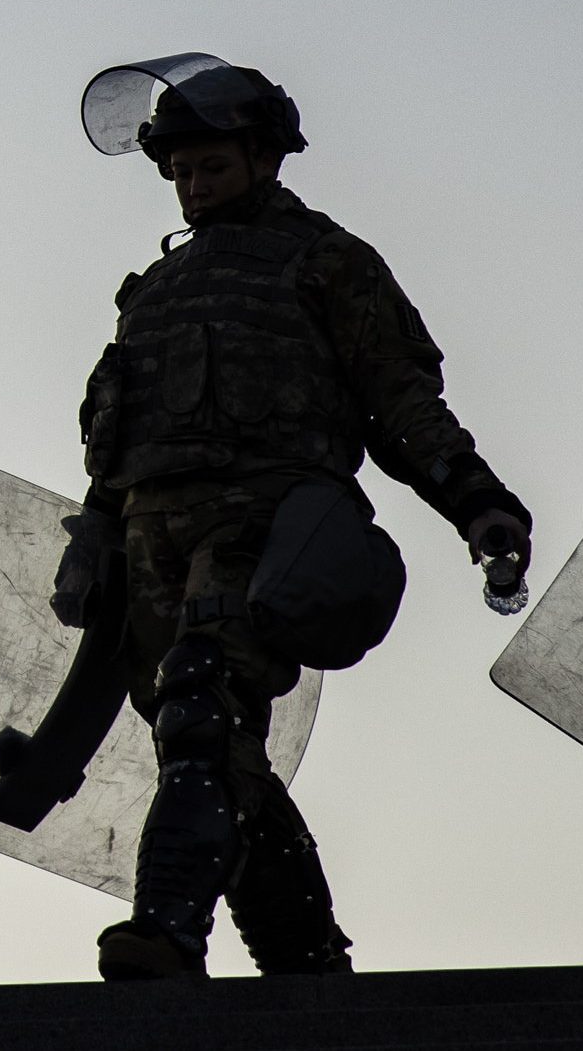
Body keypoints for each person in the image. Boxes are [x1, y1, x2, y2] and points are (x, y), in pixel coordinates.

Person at [59, 56, 534, 982]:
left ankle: (165, 931)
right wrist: (94, 540)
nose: (194, 186)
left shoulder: (328, 262)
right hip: (153, 547)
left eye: (212, 167)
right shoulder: (152, 291)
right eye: (181, 170)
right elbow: (120, 440)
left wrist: (475, 501)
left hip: (262, 529)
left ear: (264, 157)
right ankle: (309, 969)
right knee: (217, 752)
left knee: (204, 711)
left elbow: (400, 404)